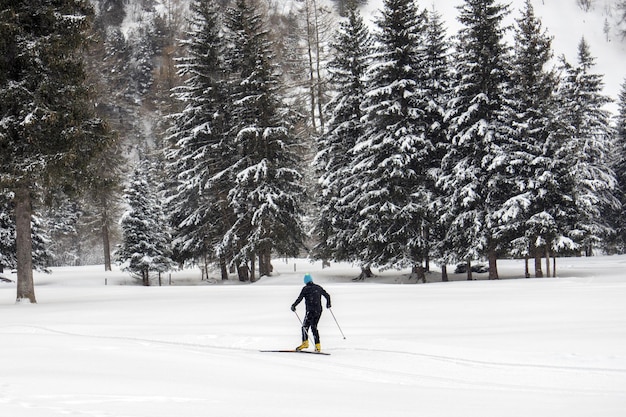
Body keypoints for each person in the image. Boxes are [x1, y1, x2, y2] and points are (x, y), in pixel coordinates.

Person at [291, 273, 331, 352]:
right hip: (319, 310)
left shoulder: (305, 289)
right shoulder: (318, 287)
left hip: (310, 311)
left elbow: (300, 298)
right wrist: (328, 304)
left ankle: (305, 343)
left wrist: (294, 305)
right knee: (314, 327)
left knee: (304, 327)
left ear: (305, 281)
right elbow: (327, 295)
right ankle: (318, 346)